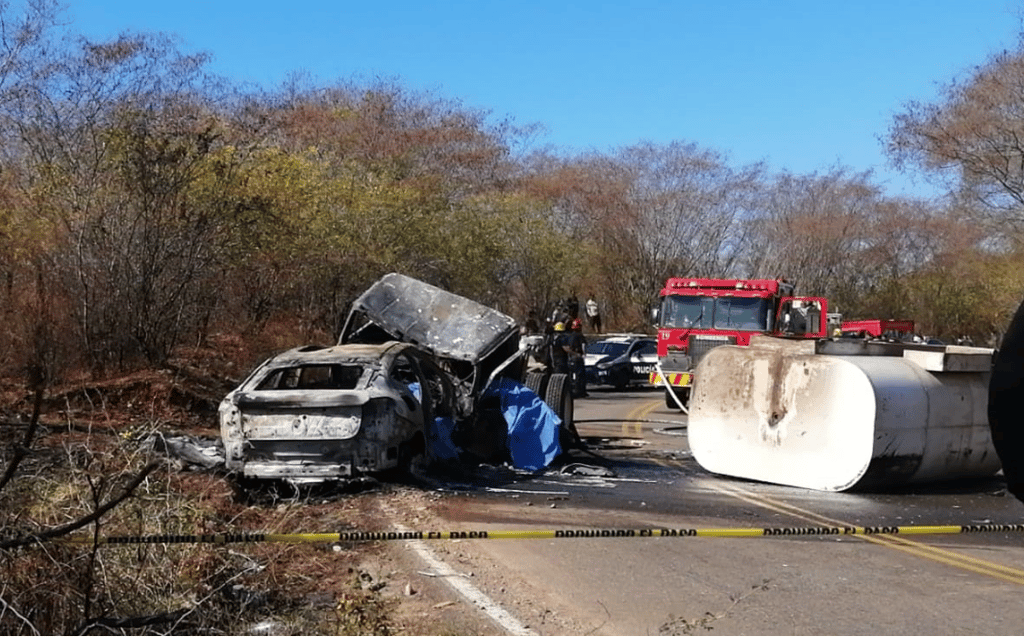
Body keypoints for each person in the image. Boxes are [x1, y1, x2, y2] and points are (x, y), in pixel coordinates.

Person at [566, 318, 588, 398]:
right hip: (578, 357)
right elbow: (583, 345)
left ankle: (574, 390)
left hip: (571, 357)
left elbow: (568, 347)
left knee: (573, 375)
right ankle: (581, 391)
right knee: (580, 375)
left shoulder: (570, 336)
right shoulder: (580, 335)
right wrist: (584, 354)